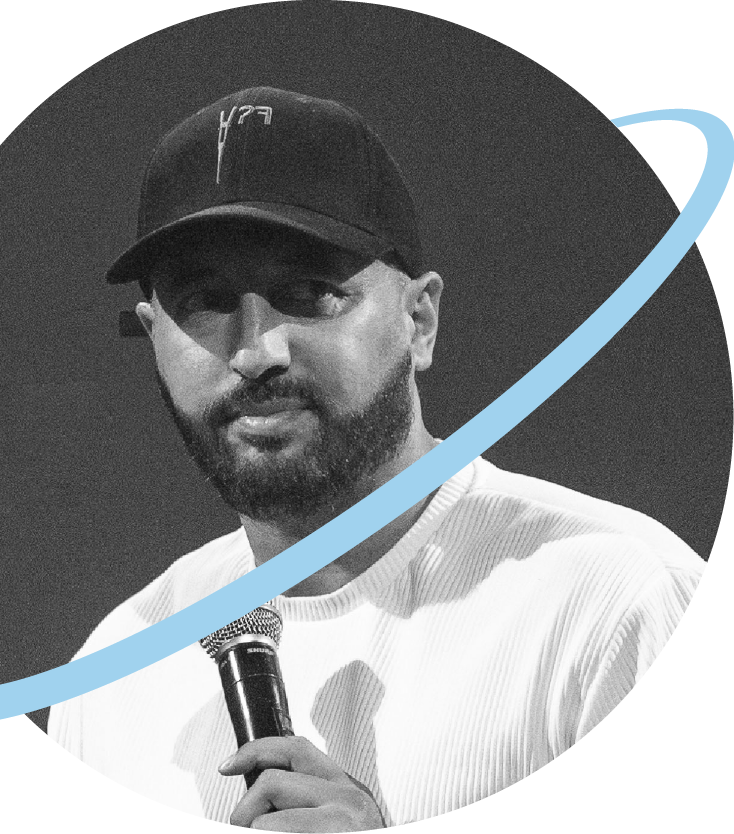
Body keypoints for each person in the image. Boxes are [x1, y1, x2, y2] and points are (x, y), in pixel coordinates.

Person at [48, 87, 705, 831]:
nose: (257, 351)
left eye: (310, 292)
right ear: (152, 337)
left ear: (418, 321)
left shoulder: (617, 602)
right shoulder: (113, 678)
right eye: (204, 301)